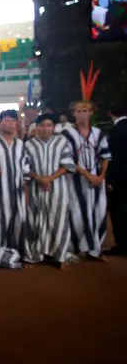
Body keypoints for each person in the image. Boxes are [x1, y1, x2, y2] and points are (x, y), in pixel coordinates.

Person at [61, 100, 111, 260]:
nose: (82, 114)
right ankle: (77, 247)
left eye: (85, 111)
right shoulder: (67, 134)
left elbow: (106, 156)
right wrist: (88, 176)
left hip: (96, 180)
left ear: (91, 112)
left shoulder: (98, 133)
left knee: (98, 212)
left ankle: (94, 248)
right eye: (78, 111)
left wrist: (101, 177)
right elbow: (68, 160)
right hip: (76, 180)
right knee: (76, 213)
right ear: (73, 113)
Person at [24, 114, 76, 267]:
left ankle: (60, 256)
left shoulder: (61, 142)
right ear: (37, 127)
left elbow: (67, 165)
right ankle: (35, 255)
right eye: (42, 125)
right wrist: (39, 178)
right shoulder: (29, 145)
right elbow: (25, 168)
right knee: (36, 220)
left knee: (58, 220)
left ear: (53, 127)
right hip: (36, 187)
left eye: (49, 125)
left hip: (57, 188)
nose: (45, 128)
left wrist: (49, 178)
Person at [0, 109, 30, 269]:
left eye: (12, 120)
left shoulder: (21, 145)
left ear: (16, 123)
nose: (9, 124)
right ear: (0, 123)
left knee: (19, 223)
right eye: (6, 120)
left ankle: (19, 255)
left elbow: (25, 171)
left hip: (17, 191)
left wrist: (25, 193)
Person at [106, 103, 127, 255]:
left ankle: (122, 245)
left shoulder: (116, 130)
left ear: (110, 114)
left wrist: (110, 180)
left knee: (119, 211)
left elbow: (115, 157)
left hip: (120, 179)